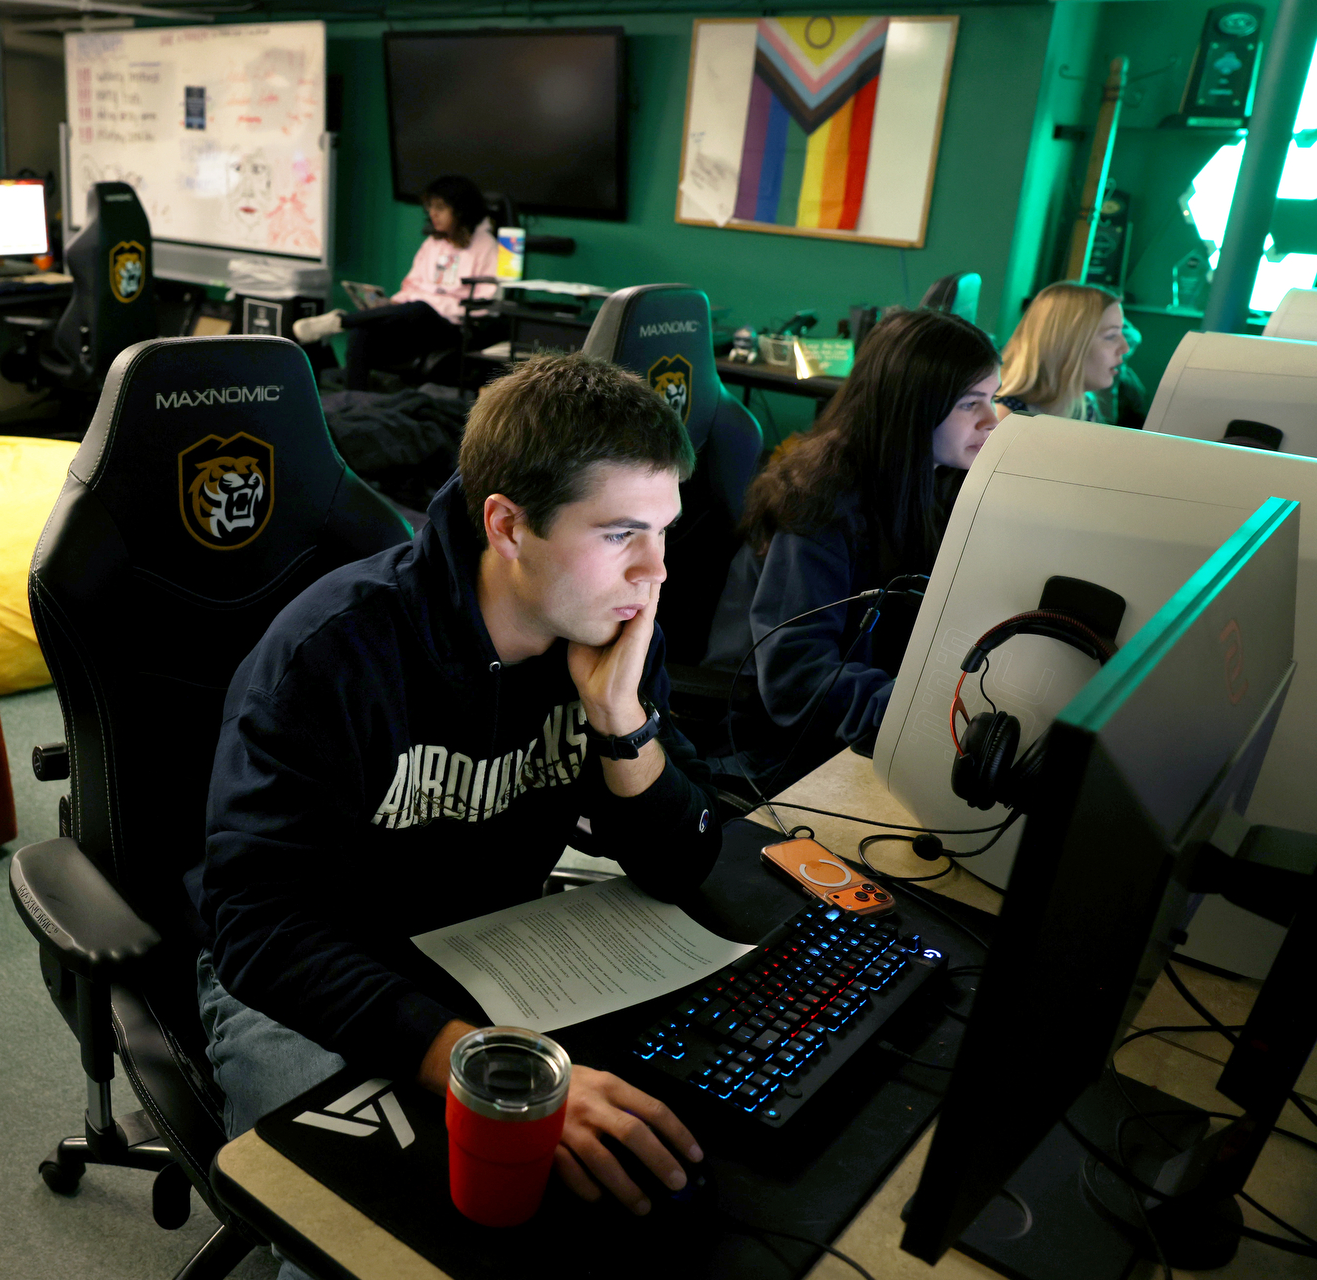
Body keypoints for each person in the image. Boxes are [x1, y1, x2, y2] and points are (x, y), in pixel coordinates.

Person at [191, 352, 722, 1262]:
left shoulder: (610, 631)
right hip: (307, 973)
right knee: (370, 1233)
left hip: (487, 948)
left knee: (650, 1160)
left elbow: (682, 866)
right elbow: (258, 928)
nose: (655, 573)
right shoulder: (333, 656)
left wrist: (620, 721)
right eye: (621, 534)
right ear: (508, 526)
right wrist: (467, 1062)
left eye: (663, 533)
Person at [702, 309, 1002, 795]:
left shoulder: (934, 482)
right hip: (769, 743)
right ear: (912, 407)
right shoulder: (819, 502)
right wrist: (918, 711)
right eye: (971, 404)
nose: (992, 420)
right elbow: (795, 673)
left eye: (993, 398)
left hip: (841, 727)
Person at [292, 175, 498, 390]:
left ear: (461, 210)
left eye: (440, 208)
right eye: (430, 207)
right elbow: (411, 285)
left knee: (420, 308)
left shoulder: (486, 247)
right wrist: (394, 304)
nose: (432, 213)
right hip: (414, 318)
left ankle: (342, 321)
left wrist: (433, 304)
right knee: (362, 332)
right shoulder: (433, 243)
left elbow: (485, 304)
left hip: (451, 328)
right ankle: (353, 398)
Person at [992, 282, 1128, 422]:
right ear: (1066, 344)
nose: (1125, 348)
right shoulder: (1004, 416)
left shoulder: (1084, 408)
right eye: (1111, 336)